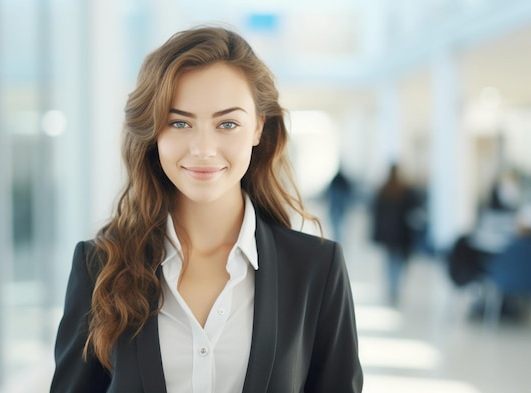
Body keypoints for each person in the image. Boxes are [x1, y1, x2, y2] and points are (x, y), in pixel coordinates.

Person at [51, 26, 362, 393]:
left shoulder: (316, 269)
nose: (203, 148)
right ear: (154, 131)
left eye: (227, 123)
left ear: (259, 127)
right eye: (179, 122)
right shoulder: (99, 266)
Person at [371, 163, 417, 306]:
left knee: (391, 261)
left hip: (389, 234)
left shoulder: (384, 189)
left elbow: (376, 213)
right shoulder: (405, 190)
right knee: (398, 261)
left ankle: (392, 287)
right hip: (401, 234)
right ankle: (394, 287)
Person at [325, 167, 352, 244]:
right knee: (338, 224)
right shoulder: (342, 181)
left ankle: (338, 239)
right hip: (338, 209)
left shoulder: (336, 181)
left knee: (337, 224)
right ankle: (338, 239)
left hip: (336, 209)